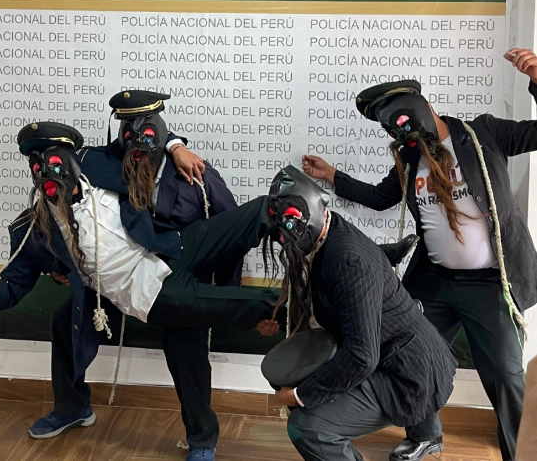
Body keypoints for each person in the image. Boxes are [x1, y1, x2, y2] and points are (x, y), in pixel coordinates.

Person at [0, 122, 281, 449]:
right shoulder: (33, 230)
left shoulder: (103, 166)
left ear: (74, 160)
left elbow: (140, 127)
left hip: (173, 247)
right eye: (37, 167)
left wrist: (175, 145)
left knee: (262, 211)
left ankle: (301, 232)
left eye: (55, 163)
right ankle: (282, 312)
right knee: (72, 322)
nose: (47, 173)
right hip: (138, 289)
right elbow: (6, 292)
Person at [302, 48, 537, 461]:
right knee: (408, 356)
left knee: (505, 374)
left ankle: (522, 455)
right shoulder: (411, 160)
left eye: (403, 122)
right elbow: (381, 198)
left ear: (425, 107)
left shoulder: (483, 134)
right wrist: (333, 176)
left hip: (490, 284)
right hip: (436, 282)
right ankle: (426, 435)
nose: (401, 135)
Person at [50, 90, 245, 460]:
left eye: (146, 135)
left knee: (185, 345)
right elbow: (61, 178)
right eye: (128, 132)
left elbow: (230, 232)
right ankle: (72, 407)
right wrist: (62, 267)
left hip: (177, 276)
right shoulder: (101, 164)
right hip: (123, 274)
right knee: (66, 320)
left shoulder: (197, 177)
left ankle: (202, 439)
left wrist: (224, 294)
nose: (136, 146)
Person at [263, 166, 456, 461]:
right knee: (289, 380)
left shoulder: (348, 260)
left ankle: (421, 433)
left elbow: (362, 356)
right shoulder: (330, 232)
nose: (281, 239)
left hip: (407, 372)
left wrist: (302, 395)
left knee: (307, 426)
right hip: (393, 352)